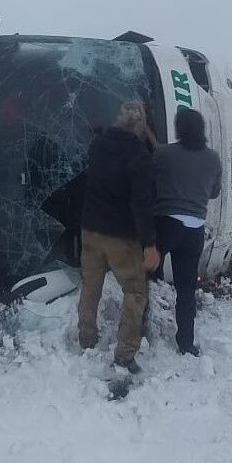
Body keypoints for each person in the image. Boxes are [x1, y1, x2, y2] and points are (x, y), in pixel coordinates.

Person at [77, 101, 160, 374]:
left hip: (90, 230)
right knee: (135, 291)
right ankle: (124, 354)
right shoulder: (138, 155)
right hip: (121, 237)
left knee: (90, 287)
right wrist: (149, 244)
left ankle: (86, 338)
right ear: (141, 127)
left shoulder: (97, 145)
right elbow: (142, 203)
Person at [152, 107, 223, 356]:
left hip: (167, 224)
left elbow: (149, 174)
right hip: (195, 230)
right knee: (186, 289)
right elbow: (214, 192)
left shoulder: (166, 154)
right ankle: (186, 343)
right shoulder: (213, 159)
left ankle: (139, 330)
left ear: (179, 128)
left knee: (144, 275)